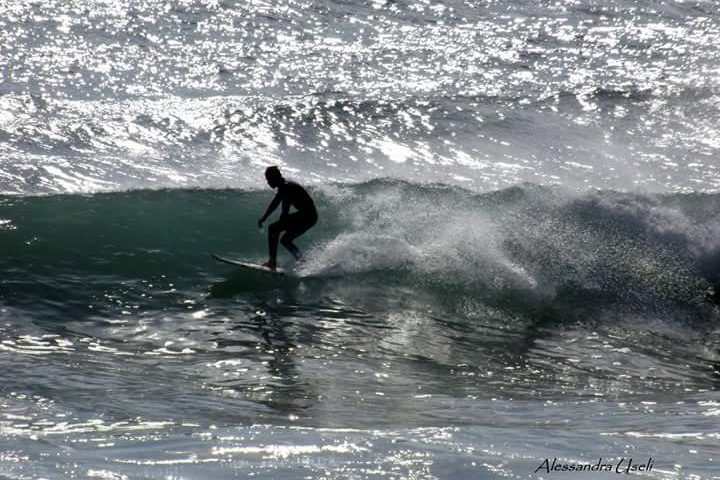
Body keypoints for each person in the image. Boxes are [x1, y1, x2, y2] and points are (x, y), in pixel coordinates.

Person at [258, 166, 318, 270]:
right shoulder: (283, 186)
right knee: (285, 240)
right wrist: (264, 218)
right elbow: (275, 203)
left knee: (273, 229)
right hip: (310, 216)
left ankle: (272, 262)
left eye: (269, 179)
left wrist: (280, 223)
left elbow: (285, 209)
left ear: (275, 177)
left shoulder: (286, 187)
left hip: (307, 216)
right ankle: (302, 261)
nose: (268, 182)